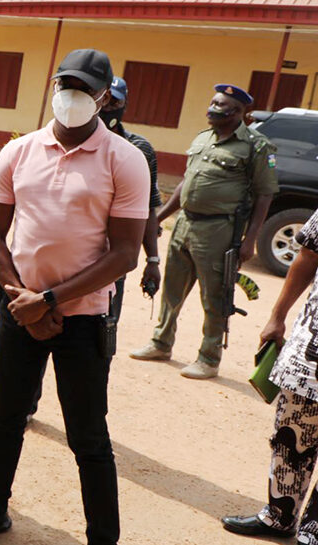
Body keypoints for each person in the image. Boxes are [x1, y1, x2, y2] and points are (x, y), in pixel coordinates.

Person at [0, 49, 148, 545]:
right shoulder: (19, 151)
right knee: (6, 417)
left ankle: (103, 536)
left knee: (88, 435)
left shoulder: (125, 159)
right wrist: (24, 300)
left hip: (81, 318)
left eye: (84, 89)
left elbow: (125, 254)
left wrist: (51, 301)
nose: (71, 97)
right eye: (65, 84)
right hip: (19, 310)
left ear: (105, 98)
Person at [129, 84, 278, 379]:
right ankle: (161, 342)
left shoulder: (256, 147)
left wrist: (250, 241)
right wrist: (159, 216)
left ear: (238, 112)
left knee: (215, 296)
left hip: (219, 229)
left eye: (220, 104)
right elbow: (186, 182)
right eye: (212, 101)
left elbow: (264, 195)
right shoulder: (203, 138)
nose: (212, 108)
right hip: (185, 223)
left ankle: (209, 358)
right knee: (172, 287)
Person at [221, 210, 318, 543]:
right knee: (291, 438)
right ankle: (279, 517)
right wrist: (277, 317)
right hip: (311, 353)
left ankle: (313, 530)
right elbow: (307, 255)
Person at [99, 76, 162, 317]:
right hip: (73, 251)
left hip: (113, 259)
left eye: (114, 103)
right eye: (103, 100)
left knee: (104, 324)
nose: (106, 108)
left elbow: (147, 209)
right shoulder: (72, 142)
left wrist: (153, 260)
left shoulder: (139, 150)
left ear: (124, 106)